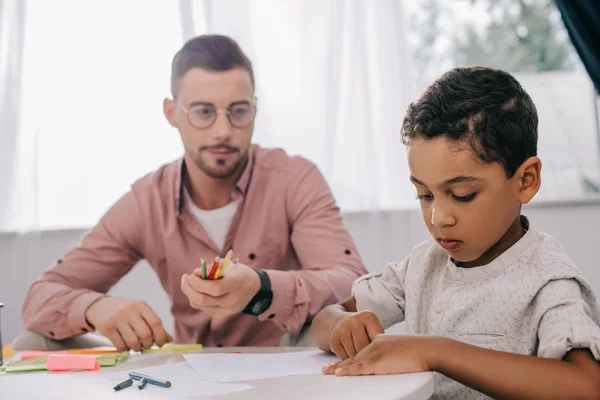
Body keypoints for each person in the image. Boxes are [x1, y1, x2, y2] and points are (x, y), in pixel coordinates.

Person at [19, 34, 367, 351]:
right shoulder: (146, 201)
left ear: (255, 110)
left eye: (238, 111)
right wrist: (95, 307)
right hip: (189, 367)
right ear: (172, 113)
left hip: (283, 358)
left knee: (332, 326)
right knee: (34, 340)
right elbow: (40, 297)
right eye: (203, 111)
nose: (222, 131)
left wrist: (262, 289)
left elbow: (353, 286)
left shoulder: (294, 178)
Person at [312, 67, 600, 399]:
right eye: (424, 195)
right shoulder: (422, 264)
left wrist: (436, 352)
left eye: (462, 195)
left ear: (525, 180)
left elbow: (586, 384)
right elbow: (329, 318)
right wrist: (338, 325)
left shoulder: (548, 281)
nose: (439, 218)